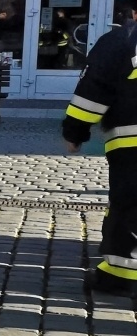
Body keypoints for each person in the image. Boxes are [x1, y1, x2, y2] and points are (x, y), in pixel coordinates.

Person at [63, 18, 137, 295]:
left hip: (132, 142)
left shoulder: (123, 40)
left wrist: (75, 132)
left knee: (130, 206)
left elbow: (92, 93)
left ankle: (121, 276)